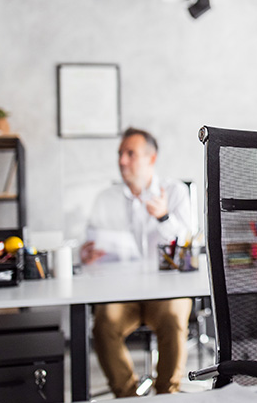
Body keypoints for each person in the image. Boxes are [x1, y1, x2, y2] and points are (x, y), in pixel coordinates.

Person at [80, 127, 193, 396]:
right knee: (104, 323)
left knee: (175, 317)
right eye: (120, 154)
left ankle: (167, 394)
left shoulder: (174, 191)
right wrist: (85, 254)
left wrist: (164, 217)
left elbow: (187, 245)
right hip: (121, 292)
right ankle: (127, 396)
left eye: (130, 154)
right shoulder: (105, 199)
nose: (122, 161)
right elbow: (88, 244)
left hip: (166, 290)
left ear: (151, 158)